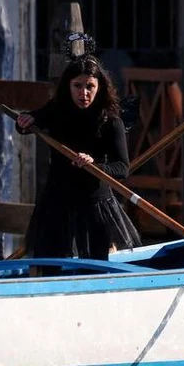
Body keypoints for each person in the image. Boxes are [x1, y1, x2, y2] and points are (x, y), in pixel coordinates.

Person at [15, 35, 140, 263]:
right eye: (78, 86)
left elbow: (122, 168)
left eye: (90, 86)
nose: (84, 93)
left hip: (94, 204)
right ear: (68, 87)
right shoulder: (57, 109)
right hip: (57, 199)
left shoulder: (112, 121)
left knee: (94, 265)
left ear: (99, 86)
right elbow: (32, 121)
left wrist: (94, 164)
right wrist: (24, 121)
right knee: (49, 262)